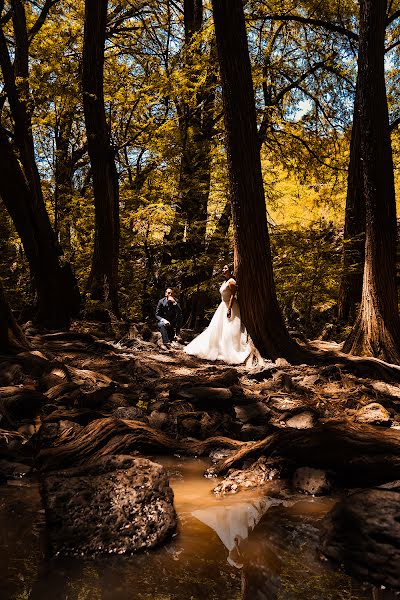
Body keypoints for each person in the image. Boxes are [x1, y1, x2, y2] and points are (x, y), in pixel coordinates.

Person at [184, 265, 250, 364]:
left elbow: (233, 295)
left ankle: (230, 349)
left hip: (229, 306)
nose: (223, 270)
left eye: (226, 268)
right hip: (222, 305)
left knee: (230, 327)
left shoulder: (231, 281)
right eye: (223, 268)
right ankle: (218, 347)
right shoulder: (225, 281)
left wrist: (229, 308)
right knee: (218, 327)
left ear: (230, 271)